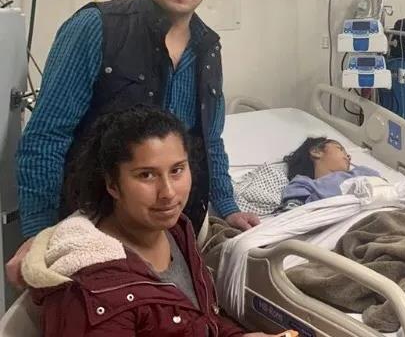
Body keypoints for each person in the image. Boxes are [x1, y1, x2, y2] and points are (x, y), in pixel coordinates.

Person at [9, 0, 258, 287]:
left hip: (174, 226)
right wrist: (41, 232)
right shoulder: (96, 28)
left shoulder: (208, 48)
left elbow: (209, 141)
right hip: (97, 224)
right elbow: (47, 136)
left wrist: (229, 206)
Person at [21, 105, 282, 336]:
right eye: (146, 175)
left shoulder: (177, 230)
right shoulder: (93, 292)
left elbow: (200, 319)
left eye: (177, 170)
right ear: (112, 184)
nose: (168, 193)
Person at [280, 137, 381, 208]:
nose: (349, 156)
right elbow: (293, 212)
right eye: (341, 149)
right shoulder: (304, 183)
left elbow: (384, 188)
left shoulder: (361, 172)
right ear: (316, 152)